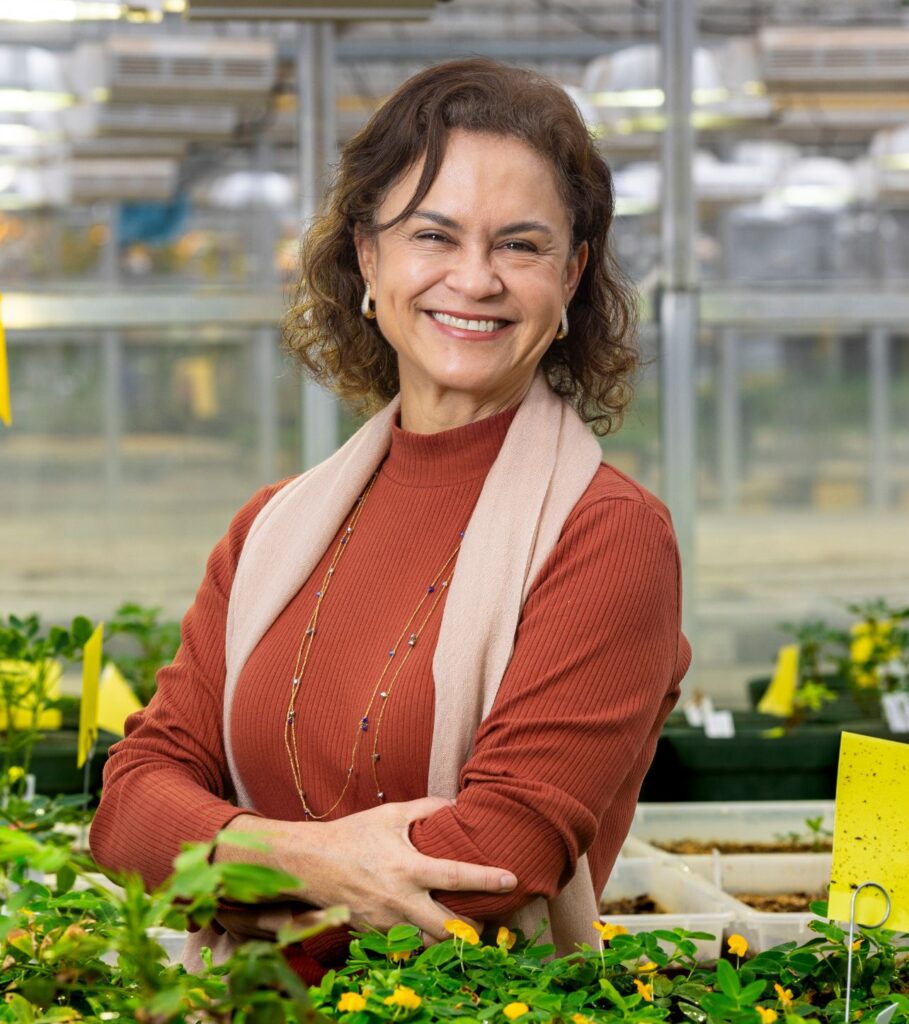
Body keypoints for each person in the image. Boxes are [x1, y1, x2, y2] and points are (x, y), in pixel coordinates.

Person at [89, 58, 691, 980]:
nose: (475, 279)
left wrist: (223, 863)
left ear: (570, 277)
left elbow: (493, 861)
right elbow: (128, 809)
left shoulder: (604, 536)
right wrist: (306, 861)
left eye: (520, 246)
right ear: (368, 258)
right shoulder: (273, 530)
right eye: (433, 235)